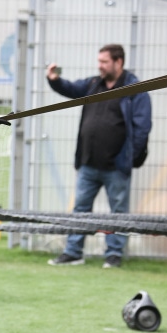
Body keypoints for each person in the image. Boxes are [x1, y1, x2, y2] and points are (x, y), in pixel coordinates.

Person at [45, 44, 152, 269]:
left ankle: (113, 255)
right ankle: (73, 252)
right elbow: (71, 89)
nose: (100, 66)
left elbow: (142, 127)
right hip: (88, 162)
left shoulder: (135, 89)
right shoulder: (94, 84)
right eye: (99, 61)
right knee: (80, 210)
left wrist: (130, 156)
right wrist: (54, 80)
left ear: (118, 62)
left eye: (104, 62)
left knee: (118, 213)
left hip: (116, 165)